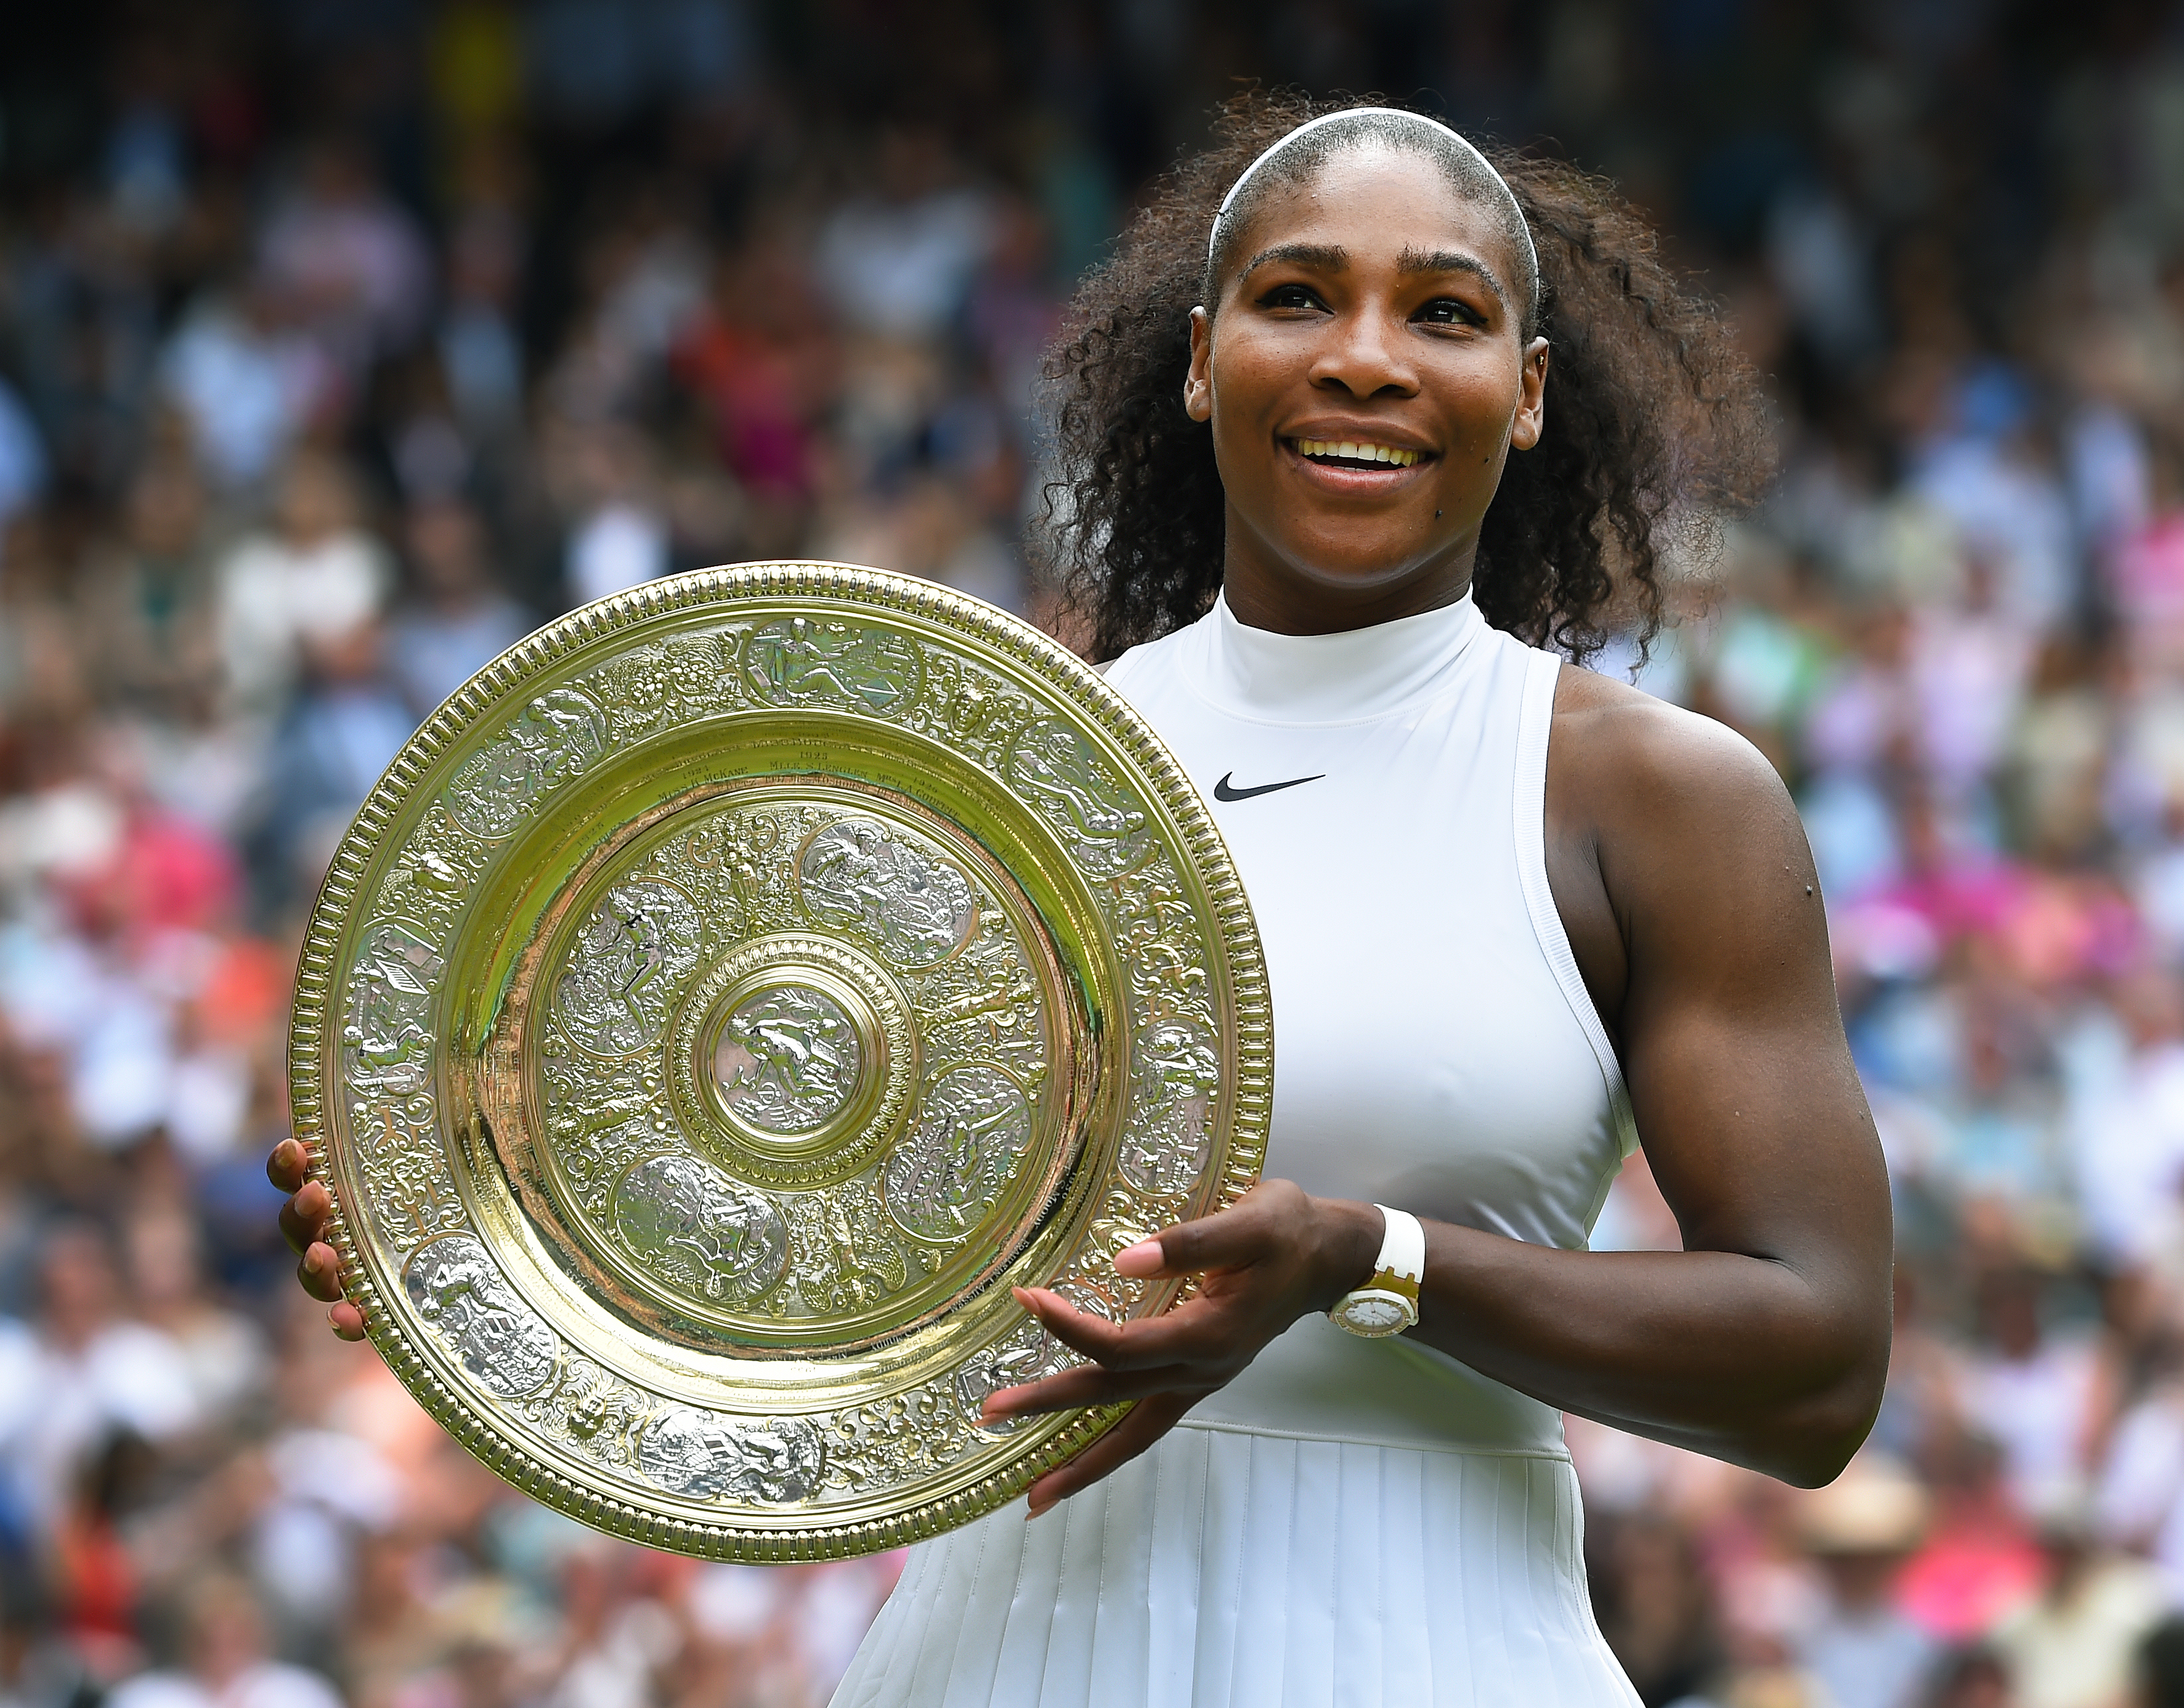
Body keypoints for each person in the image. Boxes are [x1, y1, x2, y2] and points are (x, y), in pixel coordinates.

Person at [269, 95, 1893, 1705]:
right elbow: (795, 1185)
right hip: (1001, 1653)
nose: (1365, 358)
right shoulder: (989, 779)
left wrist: (1368, 1257)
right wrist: (465, 1230)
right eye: (1297, 295)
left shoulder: (1655, 798)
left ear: (1525, 394)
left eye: (1444, 315)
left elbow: (1814, 1364)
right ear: (1199, 361)